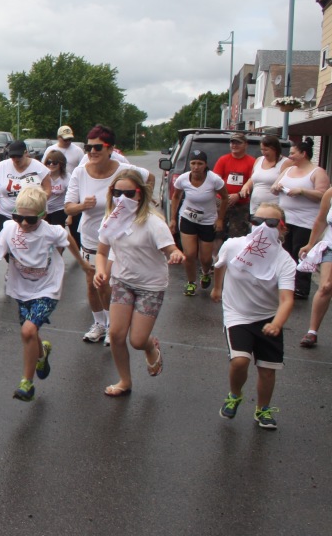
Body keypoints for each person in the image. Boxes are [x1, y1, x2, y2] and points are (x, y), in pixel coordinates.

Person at [92, 170, 184, 396]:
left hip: (150, 286)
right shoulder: (110, 220)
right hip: (123, 282)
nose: (122, 198)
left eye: (129, 193)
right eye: (117, 193)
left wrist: (176, 254)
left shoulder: (153, 223)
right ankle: (125, 381)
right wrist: (101, 271)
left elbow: (170, 248)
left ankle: (150, 345)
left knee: (137, 339)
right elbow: (102, 252)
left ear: (140, 194)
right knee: (115, 334)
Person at [0, 186, 79, 402]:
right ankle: (42, 354)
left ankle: (26, 383)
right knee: (31, 333)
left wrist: (84, 264)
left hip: (48, 287)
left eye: (31, 220)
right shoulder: (9, 228)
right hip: (21, 288)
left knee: (27, 331)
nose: (24, 223)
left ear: (43, 216)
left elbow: (68, 238)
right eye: (19, 217)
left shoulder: (51, 231)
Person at [65, 125, 152, 344]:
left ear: (110, 148)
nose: (92, 152)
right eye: (88, 147)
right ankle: (100, 323)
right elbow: (68, 208)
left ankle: (113, 324)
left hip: (120, 239)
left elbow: (148, 178)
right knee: (92, 284)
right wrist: (82, 206)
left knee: (107, 283)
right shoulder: (80, 172)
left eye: (97, 147)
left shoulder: (124, 169)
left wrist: (142, 205)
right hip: (91, 237)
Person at [211, 204, 295, 430]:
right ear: (251, 223)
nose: (263, 228)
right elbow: (220, 265)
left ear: (281, 228)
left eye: (271, 224)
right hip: (237, 314)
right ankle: (235, 394)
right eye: (258, 222)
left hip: (268, 318)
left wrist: (277, 323)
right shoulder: (233, 245)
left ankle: (263, 409)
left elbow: (287, 299)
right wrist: (217, 288)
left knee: (267, 370)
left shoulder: (284, 260)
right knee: (240, 360)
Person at [271, 138, 328, 300]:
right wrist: (276, 188)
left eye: (293, 153)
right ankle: (286, 282)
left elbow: (322, 195)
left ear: (303, 154)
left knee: (300, 252)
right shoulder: (288, 170)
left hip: (305, 221)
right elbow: (274, 188)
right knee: (284, 251)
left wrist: (302, 191)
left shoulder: (317, 172)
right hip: (285, 219)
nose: (290, 157)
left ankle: (301, 287)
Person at [170, 150, 227, 297]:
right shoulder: (183, 179)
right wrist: (173, 219)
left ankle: (206, 272)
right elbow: (175, 197)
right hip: (188, 218)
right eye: (193, 163)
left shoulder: (214, 180)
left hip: (207, 221)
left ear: (205, 165)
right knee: (189, 254)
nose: (196, 167)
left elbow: (225, 198)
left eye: (200, 164)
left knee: (206, 258)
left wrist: (220, 219)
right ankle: (191, 282)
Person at [0, 139, 51, 234]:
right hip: (5, 214)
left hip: (30, 217)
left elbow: (47, 189)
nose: (16, 159)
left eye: (19, 156)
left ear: (26, 153)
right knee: (5, 245)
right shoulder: (0, 167)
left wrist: (39, 201)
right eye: (12, 156)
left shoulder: (40, 168)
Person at [298, 185, 332, 347]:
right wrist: (310, 244)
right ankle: (312, 332)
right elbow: (321, 219)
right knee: (325, 286)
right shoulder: (330, 193)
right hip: (331, 246)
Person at [213, 133, 256, 240]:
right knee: (217, 232)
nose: (234, 145)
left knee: (238, 235)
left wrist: (238, 195)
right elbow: (216, 180)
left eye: (238, 143)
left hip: (241, 204)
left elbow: (253, 182)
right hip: (221, 202)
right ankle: (217, 256)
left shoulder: (252, 162)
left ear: (245, 145)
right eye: (232, 142)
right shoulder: (223, 160)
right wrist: (225, 196)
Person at [42, 148, 70, 227]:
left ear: (61, 163)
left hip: (59, 210)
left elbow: (72, 197)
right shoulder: (42, 176)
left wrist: (70, 216)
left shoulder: (67, 177)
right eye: (48, 162)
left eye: (54, 162)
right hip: (44, 210)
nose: (51, 165)